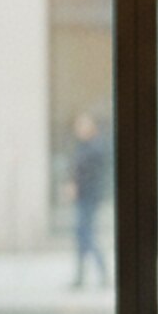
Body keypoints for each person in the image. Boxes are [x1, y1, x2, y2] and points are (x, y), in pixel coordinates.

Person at [67, 112, 108, 289]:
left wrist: (76, 186)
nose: (79, 130)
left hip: (89, 198)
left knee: (86, 236)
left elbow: (89, 174)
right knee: (82, 236)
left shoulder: (95, 148)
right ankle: (81, 276)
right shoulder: (83, 147)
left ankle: (101, 272)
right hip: (83, 198)